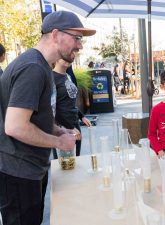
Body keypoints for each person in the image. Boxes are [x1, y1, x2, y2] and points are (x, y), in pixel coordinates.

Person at [0, 11, 95, 225]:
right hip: (18, 171)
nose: (80, 46)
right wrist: (59, 142)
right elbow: (14, 126)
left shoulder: (41, 65)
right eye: (76, 38)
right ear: (55, 34)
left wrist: (57, 129)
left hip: (29, 170)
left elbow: (35, 117)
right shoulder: (33, 67)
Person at [52, 59, 92, 158]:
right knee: (64, 164)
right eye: (63, 56)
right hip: (62, 128)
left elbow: (70, 102)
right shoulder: (51, 78)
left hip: (74, 124)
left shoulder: (68, 76)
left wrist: (81, 116)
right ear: (56, 58)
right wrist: (67, 128)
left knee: (75, 160)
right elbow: (51, 108)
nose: (68, 59)